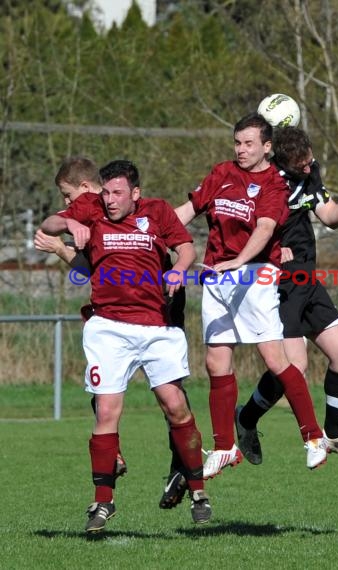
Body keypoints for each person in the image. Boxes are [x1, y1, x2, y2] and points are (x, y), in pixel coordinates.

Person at [39, 159, 211, 532]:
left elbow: (187, 249)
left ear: (135, 194)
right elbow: (48, 225)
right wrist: (69, 222)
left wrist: (179, 268)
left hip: (156, 326)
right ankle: (102, 503)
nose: (110, 199)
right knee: (106, 411)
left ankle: (198, 491)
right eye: (106, 191)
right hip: (109, 327)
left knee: (176, 406)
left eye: (118, 193)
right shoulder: (91, 208)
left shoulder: (158, 212)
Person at [175, 112, 328, 480]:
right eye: (237, 143)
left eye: (248, 144)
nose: (241, 150)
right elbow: (187, 211)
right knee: (216, 363)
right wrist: (153, 233)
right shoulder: (222, 173)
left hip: (255, 275)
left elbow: (264, 229)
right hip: (217, 276)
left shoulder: (275, 185)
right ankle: (226, 447)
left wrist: (239, 260)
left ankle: (313, 437)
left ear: (267, 147)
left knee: (275, 359)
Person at [235, 126, 338, 467]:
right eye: (301, 166)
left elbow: (330, 216)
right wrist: (273, 252)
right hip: (278, 285)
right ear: (283, 163)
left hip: (307, 280)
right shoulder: (265, 184)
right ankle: (246, 421)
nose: (309, 168)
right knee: (293, 367)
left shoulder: (308, 171)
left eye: (309, 162)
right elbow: (247, 230)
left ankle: (335, 435)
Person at [34, 157, 128, 478]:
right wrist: (64, 239)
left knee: (168, 395)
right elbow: (50, 225)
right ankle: (112, 454)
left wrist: (62, 246)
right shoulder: (87, 213)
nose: (66, 203)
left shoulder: (107, 209)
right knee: (103, 394)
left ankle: (186, 467)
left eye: (67, 195)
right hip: (106, 316)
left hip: (140, 313)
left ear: (86, 188)